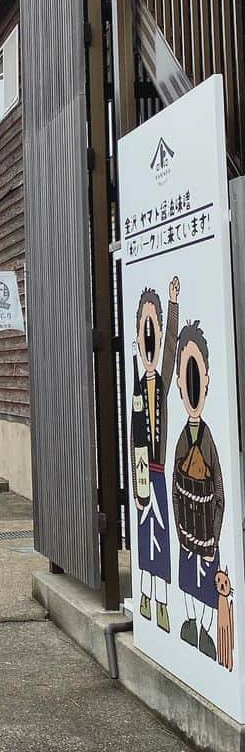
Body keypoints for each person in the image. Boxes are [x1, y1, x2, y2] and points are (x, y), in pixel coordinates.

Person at [171, 321, 225, 661]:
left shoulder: (208, 439)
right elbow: (175, 490)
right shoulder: (181, 439)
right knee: (189, 580)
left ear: (205, 379)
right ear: (179, 381)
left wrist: (214, 538)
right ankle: (191, 623)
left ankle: (206, 627)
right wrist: (179, 529)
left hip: (206, 532)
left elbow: (218, 489)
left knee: (206, 582)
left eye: (197, 373)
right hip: (187, 530)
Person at [131, 278, 178, 633]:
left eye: (154, 333)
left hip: (162, 472)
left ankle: (162, 602)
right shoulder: (136, 385)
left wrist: (173, 304)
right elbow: (134, 437)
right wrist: (136, 483)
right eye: (144, 331)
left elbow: (175, 353)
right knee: (145, 535)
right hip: (144, 471)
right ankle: (146, 597)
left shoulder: (161, 381)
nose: (149, 342)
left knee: (161, 537)